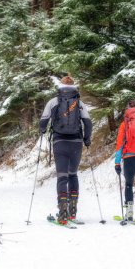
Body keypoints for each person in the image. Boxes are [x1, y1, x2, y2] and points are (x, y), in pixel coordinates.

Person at [39, 75, 92, 224]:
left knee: (62, 176)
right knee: (73, 175)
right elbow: (88, 123)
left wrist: (42, 130)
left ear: (60, 86)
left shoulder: (53, 101)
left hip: (59, 142)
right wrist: (87, 139)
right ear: (74, 86)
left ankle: (62, 211)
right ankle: (73, 211)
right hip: (76, 143)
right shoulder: (79, 103)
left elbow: (43, 121)